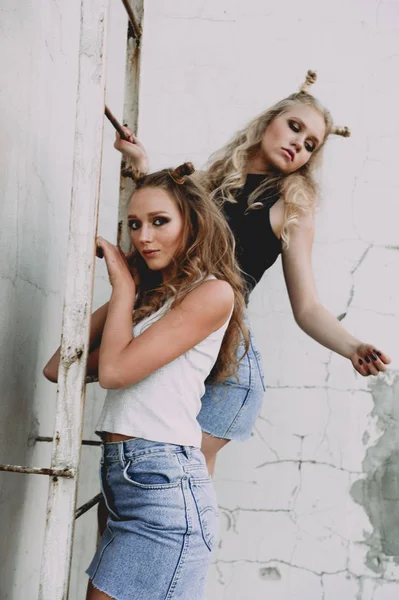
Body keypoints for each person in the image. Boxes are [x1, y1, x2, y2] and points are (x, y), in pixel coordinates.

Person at [114, 70, 391, 476]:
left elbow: (307, 305)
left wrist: (352, 347)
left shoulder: (291, 206)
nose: (299, 142)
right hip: (176, 336)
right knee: (140, 470)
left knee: (181, 477)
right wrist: (139, 165)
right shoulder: (205, 184)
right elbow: (156, 223)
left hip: (229, 363)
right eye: (294, 127)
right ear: (267, 123)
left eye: (310, 143)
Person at [43, 163, 248, 600]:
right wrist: (130, 290)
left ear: (191, 224)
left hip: (165, 491)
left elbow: (114, 373)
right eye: (134, 224)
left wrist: (121, 287)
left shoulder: (213, 294)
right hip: (129, 487)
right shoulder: (153, 306)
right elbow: (60, 367)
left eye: (159, 222)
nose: (143, 237)